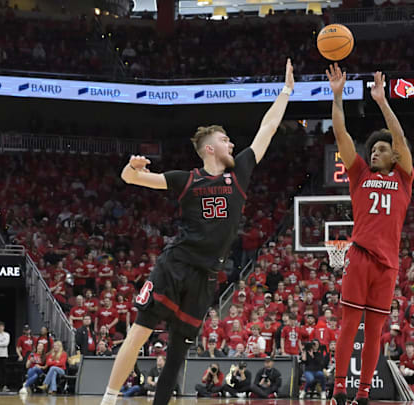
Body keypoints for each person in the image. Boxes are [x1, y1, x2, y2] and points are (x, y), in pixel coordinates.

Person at [100, 59, 295, 405]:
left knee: (177, 352)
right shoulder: (185, 179)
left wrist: (285, 92)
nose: (233, 144)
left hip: (207, 275)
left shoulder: (241, 173)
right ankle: (109, 399)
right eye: (225, 140)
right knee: (140, 331)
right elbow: (131, 180)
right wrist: (131, 167)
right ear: (209, 148)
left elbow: (267, 128)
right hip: (176, 264)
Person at [325, 64, 414, 405]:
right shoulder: (359, 173)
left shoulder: (403, 177)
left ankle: (363, 394)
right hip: (360, 255)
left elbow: (400, 138)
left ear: (394, 156)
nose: (374, 152)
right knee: (349, 325)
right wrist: (337, 95)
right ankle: (339, 389)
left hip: (387, 264)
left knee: (375, 331)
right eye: (372, 149)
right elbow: (341, 134)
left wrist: (381, 100)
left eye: (381, 149)